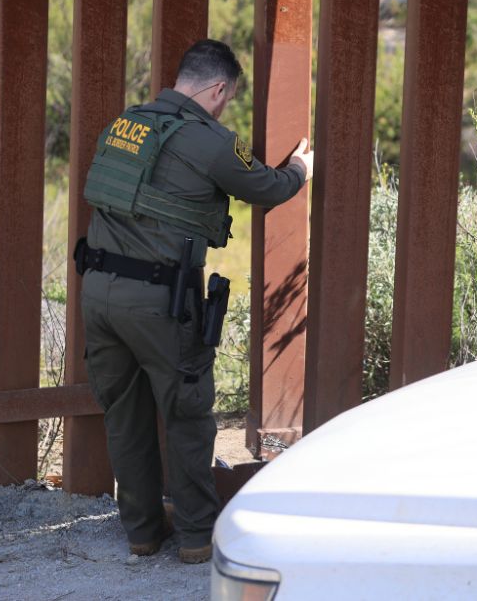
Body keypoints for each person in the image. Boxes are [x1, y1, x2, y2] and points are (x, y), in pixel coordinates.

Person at [76, 39, 313, 564]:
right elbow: (266, 188)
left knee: (125, 414)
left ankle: (140, 531)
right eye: (226, 98)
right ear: (219, 88)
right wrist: (300, 168)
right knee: (187, 416)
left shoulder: (125, 125)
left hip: (96, 292)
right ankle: (196, 538)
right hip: (161, 300)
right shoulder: (209, 140)